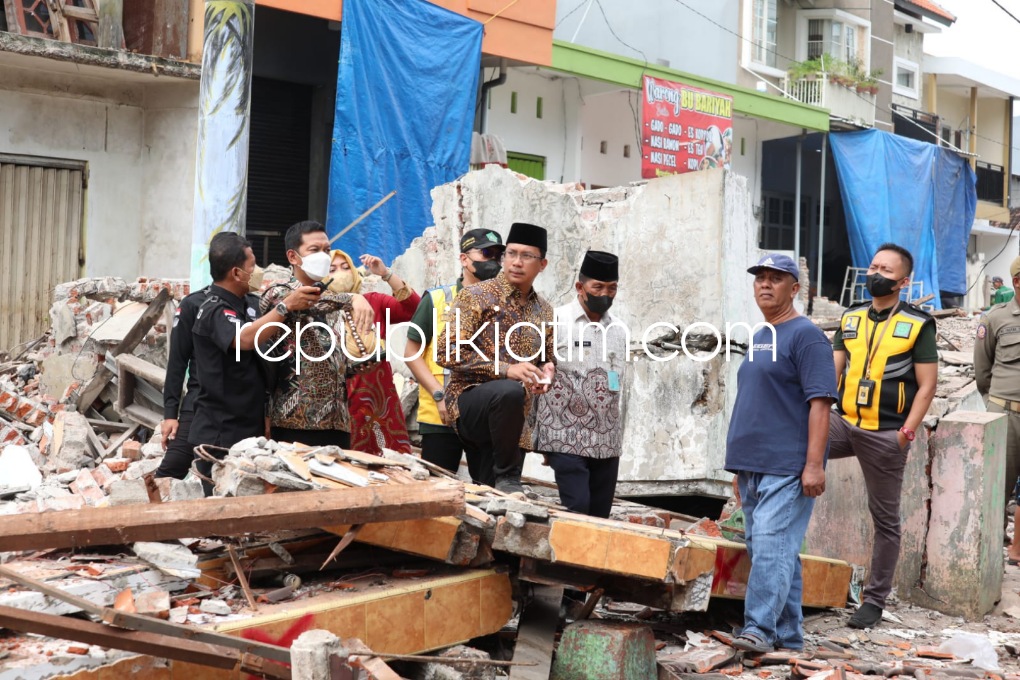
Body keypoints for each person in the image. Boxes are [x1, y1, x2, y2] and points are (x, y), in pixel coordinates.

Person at [726, 253, 836, 654]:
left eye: (776, 279)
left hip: (787, 467)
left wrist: (813, 465)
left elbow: (821, 404)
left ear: (795, 289)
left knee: (772, 549)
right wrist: (739, 469)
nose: (765, 285)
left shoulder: (806, 336)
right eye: (760, 279)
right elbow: (755, 403)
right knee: (772, 551)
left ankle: (758, 629)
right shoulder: (761, 335)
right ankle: (789, 637)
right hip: (754, 466)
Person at [829, 243, 937, 629]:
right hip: (843, 423)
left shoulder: (917, 323)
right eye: (873, 266)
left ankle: (874, 601)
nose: (875, 274)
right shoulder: (851, 317)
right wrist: (817, 412)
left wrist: (906, 433)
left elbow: (927, 386)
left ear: (903, 282)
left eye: (886, 270)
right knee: (791, 452)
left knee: (885, 519)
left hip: (887, 434)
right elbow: (834, 371)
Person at [187, 233, 319, 492]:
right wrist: (284, 307)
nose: (258, 271)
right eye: (253, 265)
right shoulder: (213, 308)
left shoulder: (246, 306)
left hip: (248, 428)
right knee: (219, 512)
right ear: (237, 273)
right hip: (220, 431)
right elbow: (244, 339)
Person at [438, 222, 556, 493]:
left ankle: (501, 486)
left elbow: (547, 359)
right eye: (511, 254)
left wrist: (546, 374)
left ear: (542, 264)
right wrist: (505, 369)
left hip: (515, 417)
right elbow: (446, 351)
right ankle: (509, 476)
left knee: (490, 497)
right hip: (470, 400)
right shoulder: (475, 295)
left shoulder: (545, 311)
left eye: (526, 256)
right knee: (508, 390)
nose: (516, 262)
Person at [258, 221, 374, 447]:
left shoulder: (333, 302)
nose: (324, 256)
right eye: (314, 250)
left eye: (327, 250)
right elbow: (312, 301)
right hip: (294, 420)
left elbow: (329, 356)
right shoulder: (279, 292)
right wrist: (353, 298)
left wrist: (354, 364)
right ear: (293, 257)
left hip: (337, 420)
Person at [404, 229, 505, 479]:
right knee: (436, 493)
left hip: (486, 416)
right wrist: (439, 395)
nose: (493, 260)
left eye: (497, 255)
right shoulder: (437, 300)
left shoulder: (507, 304)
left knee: (488, 493)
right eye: (486, 253)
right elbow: (411, 353)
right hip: (441, 418)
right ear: (464, 259)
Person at [534, 251, 627, 518]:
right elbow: (536, 374)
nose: (605, 294)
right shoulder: (554, 321)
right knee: (577, 509)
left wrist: (618, 438)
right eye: (597, 287)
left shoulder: (619, 329)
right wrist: (538, 440)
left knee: (600, 516)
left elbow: (620, 385)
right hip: (563, 437)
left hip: (607, 440)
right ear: (580, 287)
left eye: (612, 288)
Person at [327, 249, 420, 453]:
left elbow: (413, 307)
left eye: (345, 268)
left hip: (381, 394)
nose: (341, 273)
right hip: (342, 396)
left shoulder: (373, 301)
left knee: (391, 458)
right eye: (332, 269)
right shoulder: (318, 309)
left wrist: (385, 274)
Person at [974, 256, 1020, 564]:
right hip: (1007, 415)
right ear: (1017, 281)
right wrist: (998, 403)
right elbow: (983, 371)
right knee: (998, 488)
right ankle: (990, 559)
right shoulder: (996, 318)